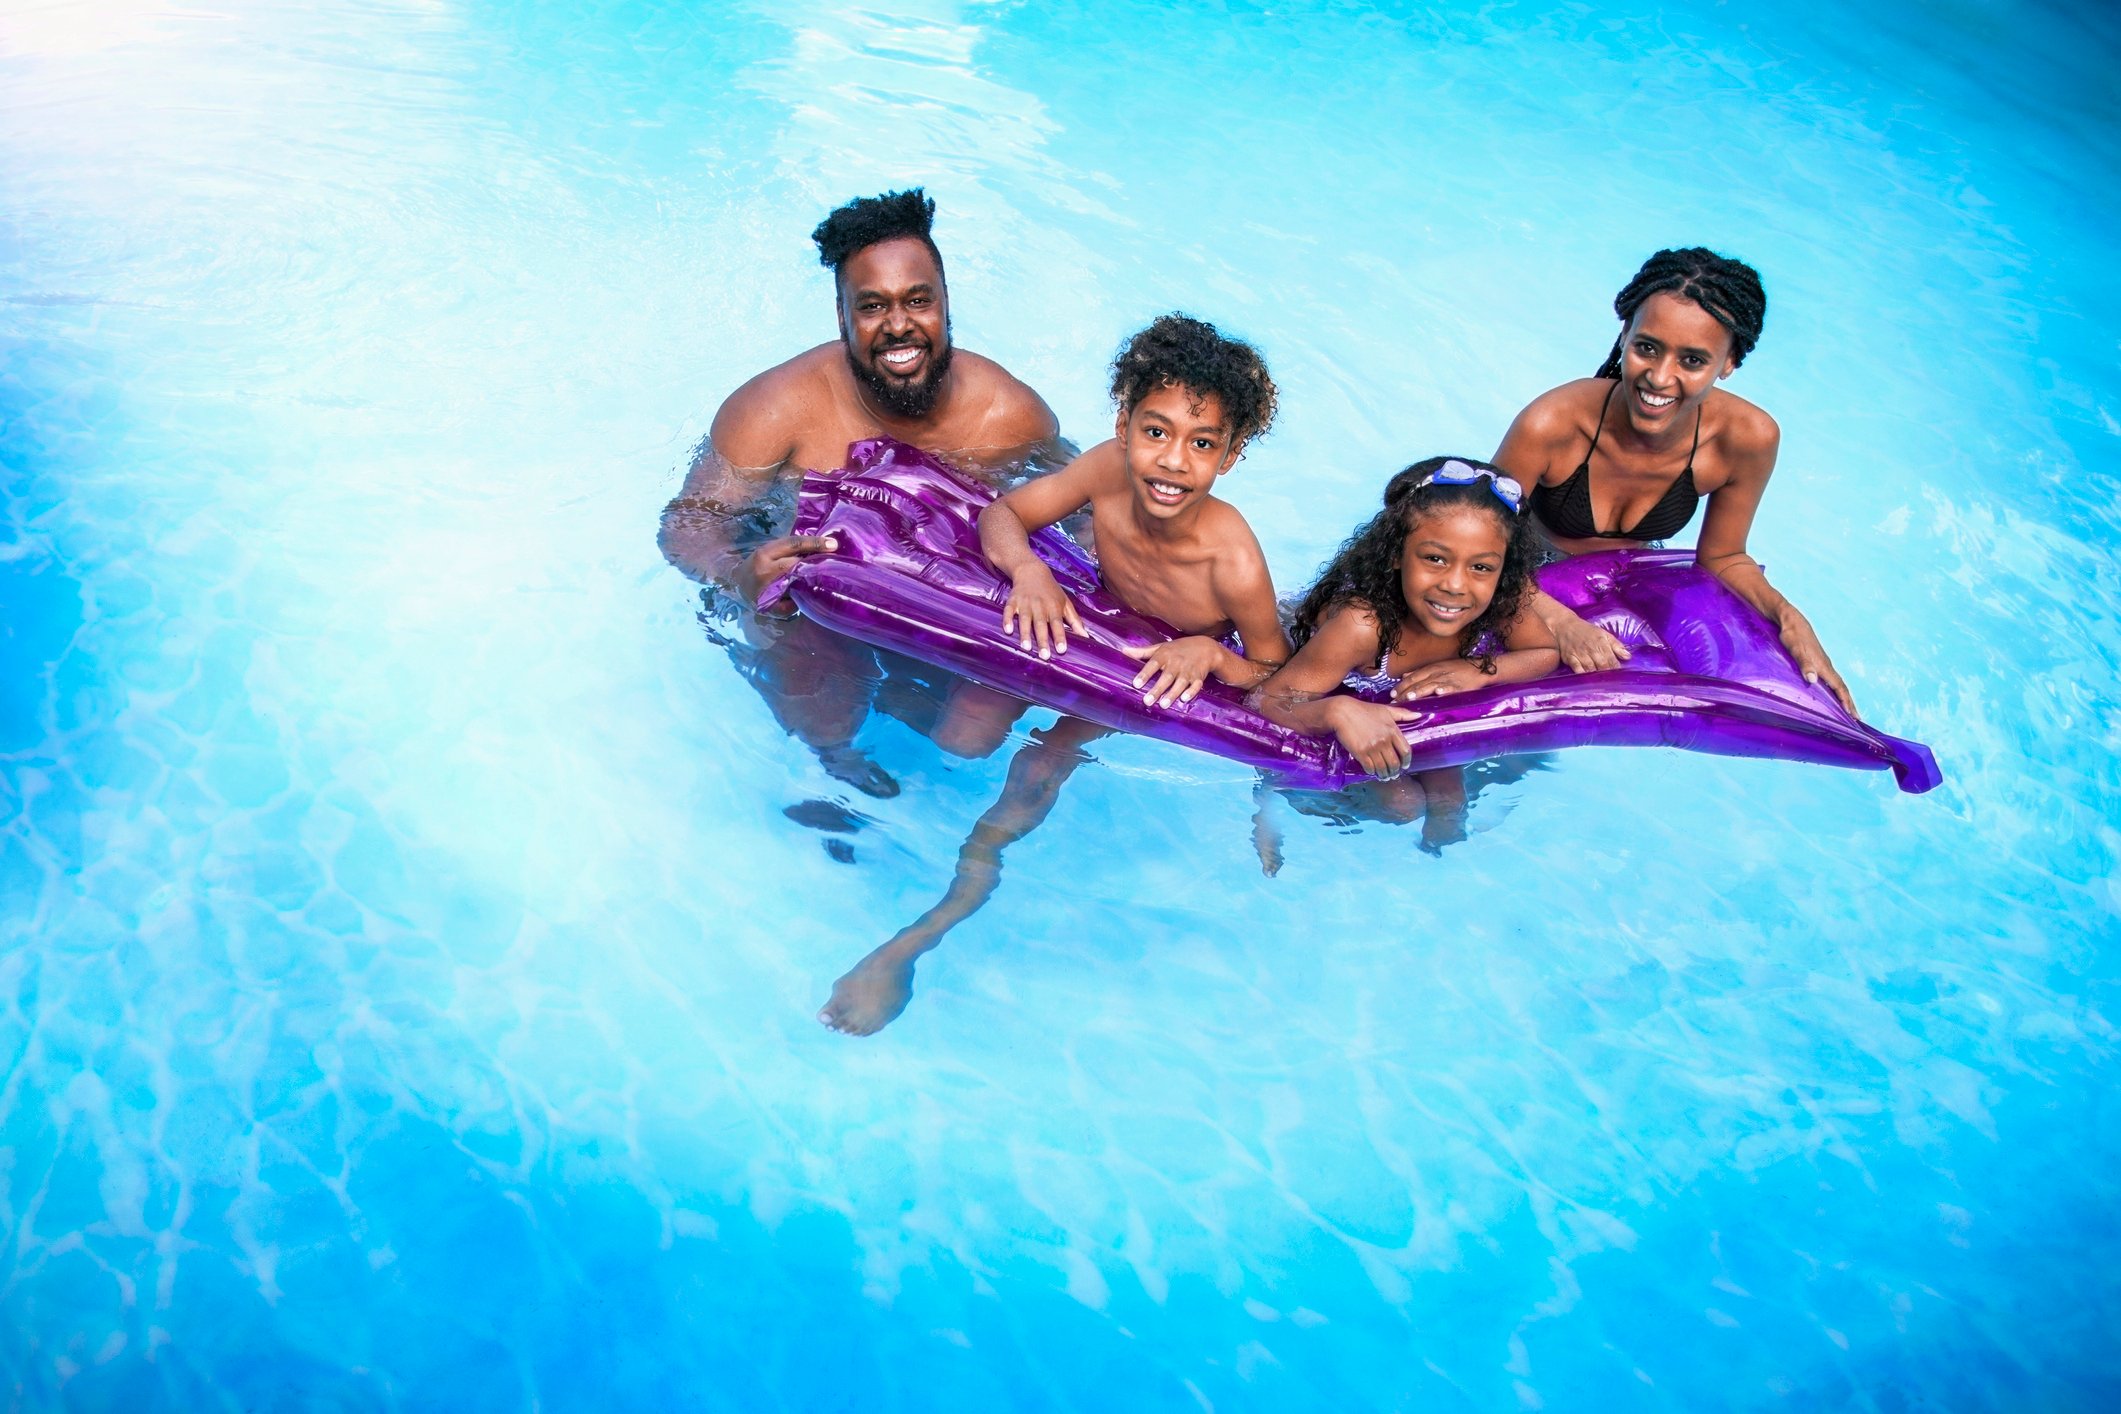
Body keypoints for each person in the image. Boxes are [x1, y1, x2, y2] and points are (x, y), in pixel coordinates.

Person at [818, 314, 1289, 1034]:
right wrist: (1031, 570)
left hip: (1148, 667)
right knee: (964, 737)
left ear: (1230, 457)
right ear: (1123, 424)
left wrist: (1210, 654)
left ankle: (918, 936)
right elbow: (1007, 514)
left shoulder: (1232, 557)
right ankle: (857, 783)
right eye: (1154, 431)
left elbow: (1274, 673)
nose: (1171, 460)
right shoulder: (1104, 467)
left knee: (1039, 766)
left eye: (1202, 444)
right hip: (1094, 624)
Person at [659, 188, 1064, 795]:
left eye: (917, 301)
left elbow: (1094, 508)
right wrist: (739, 573)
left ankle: (904, 697)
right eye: (872, 306)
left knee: (971, 733)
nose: (899, 326)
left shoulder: (1009, 417)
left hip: (942, 583)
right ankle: (832, 764)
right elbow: (690, 522)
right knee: (815, 691)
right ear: (843, 315)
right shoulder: (775, 410)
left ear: (946, 304)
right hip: (810, 589)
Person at [1492, 247, 1857, 715]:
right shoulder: (1553, 422)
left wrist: (1789, 618)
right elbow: (1479, 540)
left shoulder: (1746, 438)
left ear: (1729, 363)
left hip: (1626, 580)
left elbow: (1722, 557)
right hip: (1519, 573)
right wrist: (1557, 620)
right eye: (1647, 347)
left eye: (1692, 361)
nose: (1660, 378)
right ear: (1624, 335)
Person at [1251, 456, 1559, 823]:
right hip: (1321, 676)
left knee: (1450, 802)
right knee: (1401, 805)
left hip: (1388, 702)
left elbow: (1544, 652)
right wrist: (1338, 711)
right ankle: (1278, 792)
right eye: (1435, 558)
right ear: (1396, 554)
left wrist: (1479, 671)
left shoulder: (1497, 602)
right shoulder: (1363, 626)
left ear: (1502, 570)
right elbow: (1265, 700)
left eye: (1481, 567)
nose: (1455, 585)